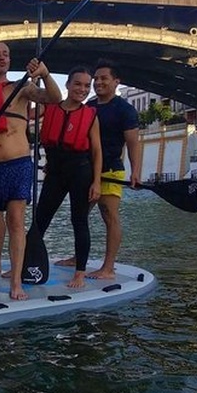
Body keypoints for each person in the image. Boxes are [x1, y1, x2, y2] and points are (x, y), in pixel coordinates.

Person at [0, 43, 62, 299]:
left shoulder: (21, 89)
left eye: (6, 54)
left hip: (17, 165)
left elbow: (55, 98)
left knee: (16, 222)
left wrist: (45, 74)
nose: (2, 58)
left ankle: (16, 282)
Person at [56, 60, 140, 281]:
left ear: (116, 82)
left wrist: (136, 171)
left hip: (111, 169)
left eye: (104, 78)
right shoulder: (89, 106)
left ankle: (108, 267)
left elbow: (133, 142)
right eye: (97, 79)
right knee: (79, 216)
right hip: (86, 169)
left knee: (109, 216)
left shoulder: (125, 110)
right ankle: (78, 257)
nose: (99, 82)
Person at [35, 66, 102, 288]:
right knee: (40, 220)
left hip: (80, 171)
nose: (82, 89)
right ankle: (27, 262)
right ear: (67, 85)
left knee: (79, 221)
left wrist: (97, 182)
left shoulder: (90, 116)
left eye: (86, 86)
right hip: (55, 171)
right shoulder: (50, 107)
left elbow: (96, 152)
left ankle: (80, 272)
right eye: (78, 84)